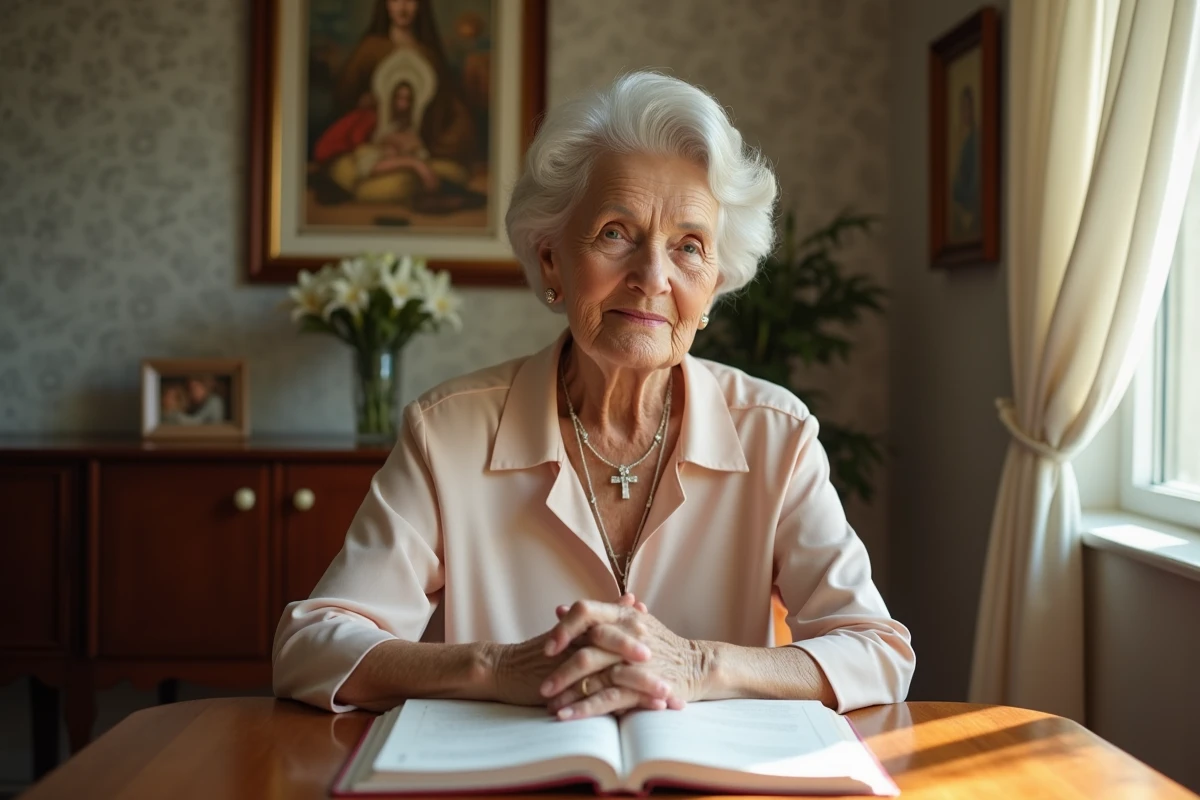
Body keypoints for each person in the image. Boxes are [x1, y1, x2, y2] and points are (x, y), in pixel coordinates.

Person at [273, 72, 914, 721]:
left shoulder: (775, 433)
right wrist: (496, 666)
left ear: (716, 284)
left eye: (688, 247)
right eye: (616, 232)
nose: (652, 278)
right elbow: (311, 646)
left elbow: (876, 650)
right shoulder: (449, 432)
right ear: (552, 259)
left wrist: (698, 665)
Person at [331, 0, 475, 164]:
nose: (402, 8)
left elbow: (446, 105)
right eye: (395, 0)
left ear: (421, 6)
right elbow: (344, 98)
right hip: (376, 141)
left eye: (410, 1)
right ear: (385, 5)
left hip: (418, 142)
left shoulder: (429, 55)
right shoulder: (370, 49)